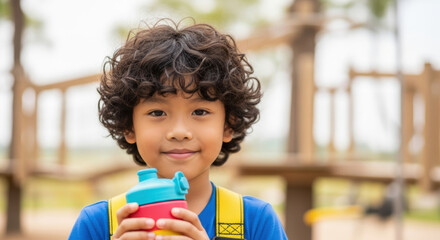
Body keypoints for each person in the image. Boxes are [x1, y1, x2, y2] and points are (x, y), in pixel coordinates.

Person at [68, 18, 287, 240]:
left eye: (200, 112)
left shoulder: (256, 222)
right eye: (157, 113)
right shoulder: (97, 225)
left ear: (228, 125)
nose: (179, 131)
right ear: (129, 126)